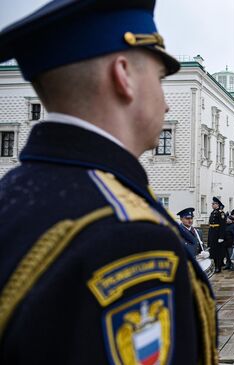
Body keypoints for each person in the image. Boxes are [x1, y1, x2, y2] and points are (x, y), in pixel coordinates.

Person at [0, 1, 218, 363]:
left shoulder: (14, 195)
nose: (165, 106)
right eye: (160, 80)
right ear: (124, 76)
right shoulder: (127, 234)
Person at [208, 197, 227, 273]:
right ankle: (215, 265)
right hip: (212, 233)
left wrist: (221, 236)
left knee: (218, 251)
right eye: (212, 204)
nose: (212, 205)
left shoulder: (221, 213)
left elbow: (223, 225)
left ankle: (218, 266)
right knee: (213, 250)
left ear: (217, 204)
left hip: (218, 233)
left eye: (213, 204)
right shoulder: (213, 212)